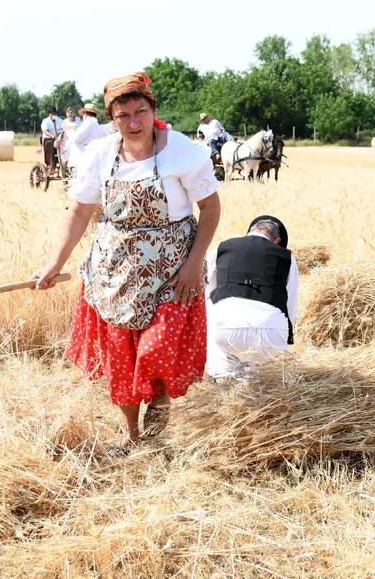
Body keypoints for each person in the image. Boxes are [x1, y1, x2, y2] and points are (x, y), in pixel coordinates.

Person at [32, 71, 221, 457]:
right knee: (122, 359)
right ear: (111, 119)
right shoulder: (100, 155)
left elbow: (210, 208)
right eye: (123, 116)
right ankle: (132, 436)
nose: (133, 123)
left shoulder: (182, 152)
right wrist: (55, 263)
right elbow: (81, 212)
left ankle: (161, 408)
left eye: (140, 112)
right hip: (113, 272)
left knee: (158, 349)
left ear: (154, 111)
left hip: (173, 270)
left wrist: (193, 264)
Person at [205, 216, 299, 379]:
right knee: (263, 380)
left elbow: (206, 290)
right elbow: (290, 305)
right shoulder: (288, 258)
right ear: (276, 241)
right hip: (270, 332)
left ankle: (224, 379)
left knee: (224, 371)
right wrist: (286, 338)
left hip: (224, 329)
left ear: (250, 232)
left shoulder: (221, 248)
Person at [62, 103, 111, 172]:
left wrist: (67, 130)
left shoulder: (87, 123)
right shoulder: (97, 126)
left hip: (82, 162)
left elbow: (75, 139)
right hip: (93, 161)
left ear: (84, 113)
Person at [40, 106, 64, 175]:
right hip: (49, 139)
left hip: (59, 138)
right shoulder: (45, 121)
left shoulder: (60, 121)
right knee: (53, 142)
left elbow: (63, 129)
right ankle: (52, 164)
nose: (53, 115)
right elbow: (45, 131)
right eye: (51, 113)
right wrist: (53, 136)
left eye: (54, 113)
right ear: (49, 114)